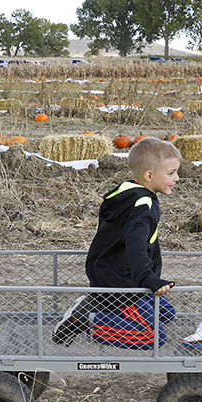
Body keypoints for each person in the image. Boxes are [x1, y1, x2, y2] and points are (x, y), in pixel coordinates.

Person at [53, 137, 180, 348]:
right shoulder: (142, 207)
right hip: (121, 286)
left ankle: (97, 306)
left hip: (111, 273)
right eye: (171, 173)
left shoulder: (128, 190)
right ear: (149, 175)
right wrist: (148, 279)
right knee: (154, 337)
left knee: (166, 313)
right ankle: (89, 319)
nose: (177, 178)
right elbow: (136, 246)